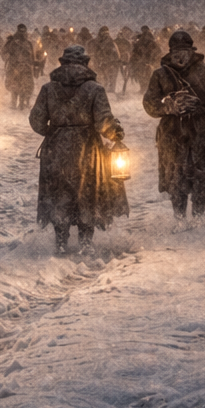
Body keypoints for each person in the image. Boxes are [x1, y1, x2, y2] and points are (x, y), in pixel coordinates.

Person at [29, 42, 128, 254]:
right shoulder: (95, 89)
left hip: (56, 150)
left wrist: (54, 131)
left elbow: (36, 120)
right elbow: (104, 123)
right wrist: (116, 133)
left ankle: (61, 242)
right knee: (87, 193)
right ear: (85, 63)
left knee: (59, 193)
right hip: (88, 151)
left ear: (62, 63)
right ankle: (85, 241)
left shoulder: (49, 89)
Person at [143, 29, 205, 220]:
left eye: (184, 51)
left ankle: (195, 218)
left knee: (197, 174)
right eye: (177, 51)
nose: (181, 55)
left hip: (199, 131)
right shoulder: (161, 75)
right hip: (175, 133)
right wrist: (167, 107)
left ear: (191, 51)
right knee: (178, 175)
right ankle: (183, 219)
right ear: (170, 52)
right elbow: (149, 103)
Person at [2, 23, 38, 110]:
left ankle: (22, 103)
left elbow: (32, 56)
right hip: (14, 68)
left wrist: (34, 65)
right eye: (21, 31)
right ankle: (14, 103)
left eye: (24, 31)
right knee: (15, 86)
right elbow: (4, 53)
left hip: (26, 69)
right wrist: (10, 60)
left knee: (24, 86)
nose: (22, 33)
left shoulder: (28, 43)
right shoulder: (12, 42)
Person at [129, 25, 161, 94]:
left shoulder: (150, 41)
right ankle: (144, 88)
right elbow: (135, 51)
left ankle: (146, 88)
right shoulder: (143, 41)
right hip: (143, 62)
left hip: (148, 62)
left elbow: (157, 52)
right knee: (142, 75)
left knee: (146, 75)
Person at [91, 26, 122, 93]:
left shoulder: (111, 43)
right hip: (102, 63)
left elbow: (116, 55)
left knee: (110, 79)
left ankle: (110, 91)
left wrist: (110, 62)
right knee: (103, 78)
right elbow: (95, 53)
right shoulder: (98, 42)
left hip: (110, 64)